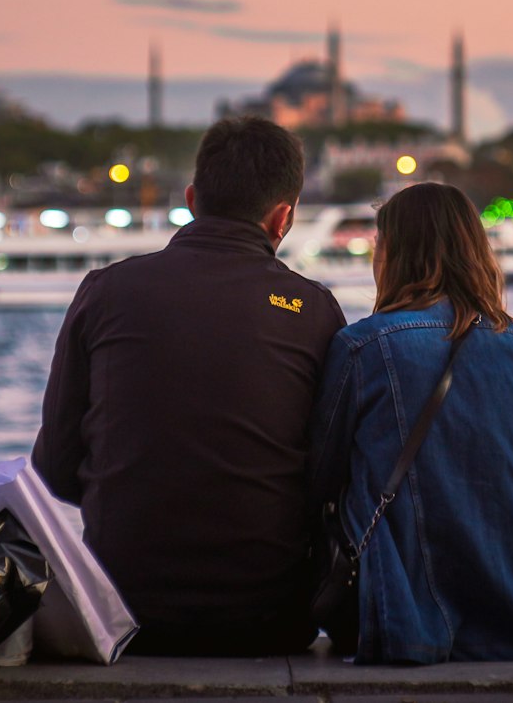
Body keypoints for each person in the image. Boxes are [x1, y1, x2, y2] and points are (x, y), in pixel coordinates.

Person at [33, 116, 346, 655]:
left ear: (192, 197)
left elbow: (56, 472)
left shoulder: (106, 292)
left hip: (121, 612)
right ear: (284, 217)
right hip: (271, 620)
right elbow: (331, 480)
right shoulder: (313, 310)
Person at [309, 182, 513, 664]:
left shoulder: (363, 347)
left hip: (406, 620)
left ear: (395, 255)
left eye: (379, 245)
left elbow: (322, 475)